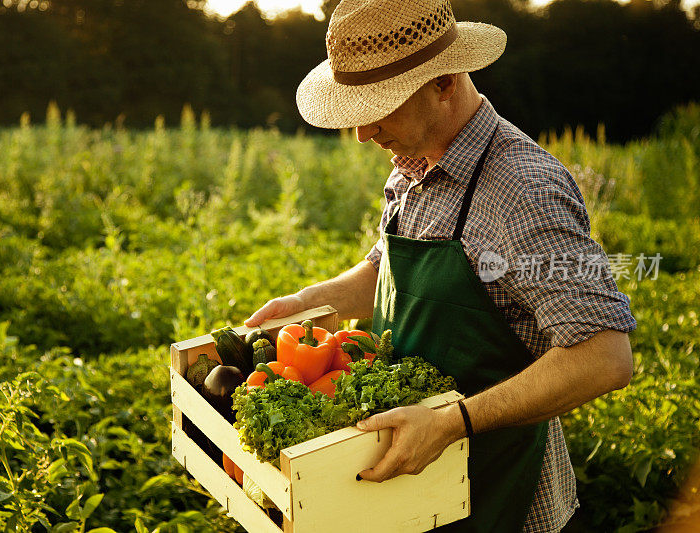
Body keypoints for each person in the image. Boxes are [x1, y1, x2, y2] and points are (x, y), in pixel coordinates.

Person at [244, 0, 637, 531]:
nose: (362, 133)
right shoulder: (411, 162)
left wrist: (451, 423)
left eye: (379, 105)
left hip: (495, 490)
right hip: (404, 487)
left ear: (445, 81)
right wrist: (308, 302)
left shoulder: (523, 190)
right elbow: (385, 269)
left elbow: (605, 356)